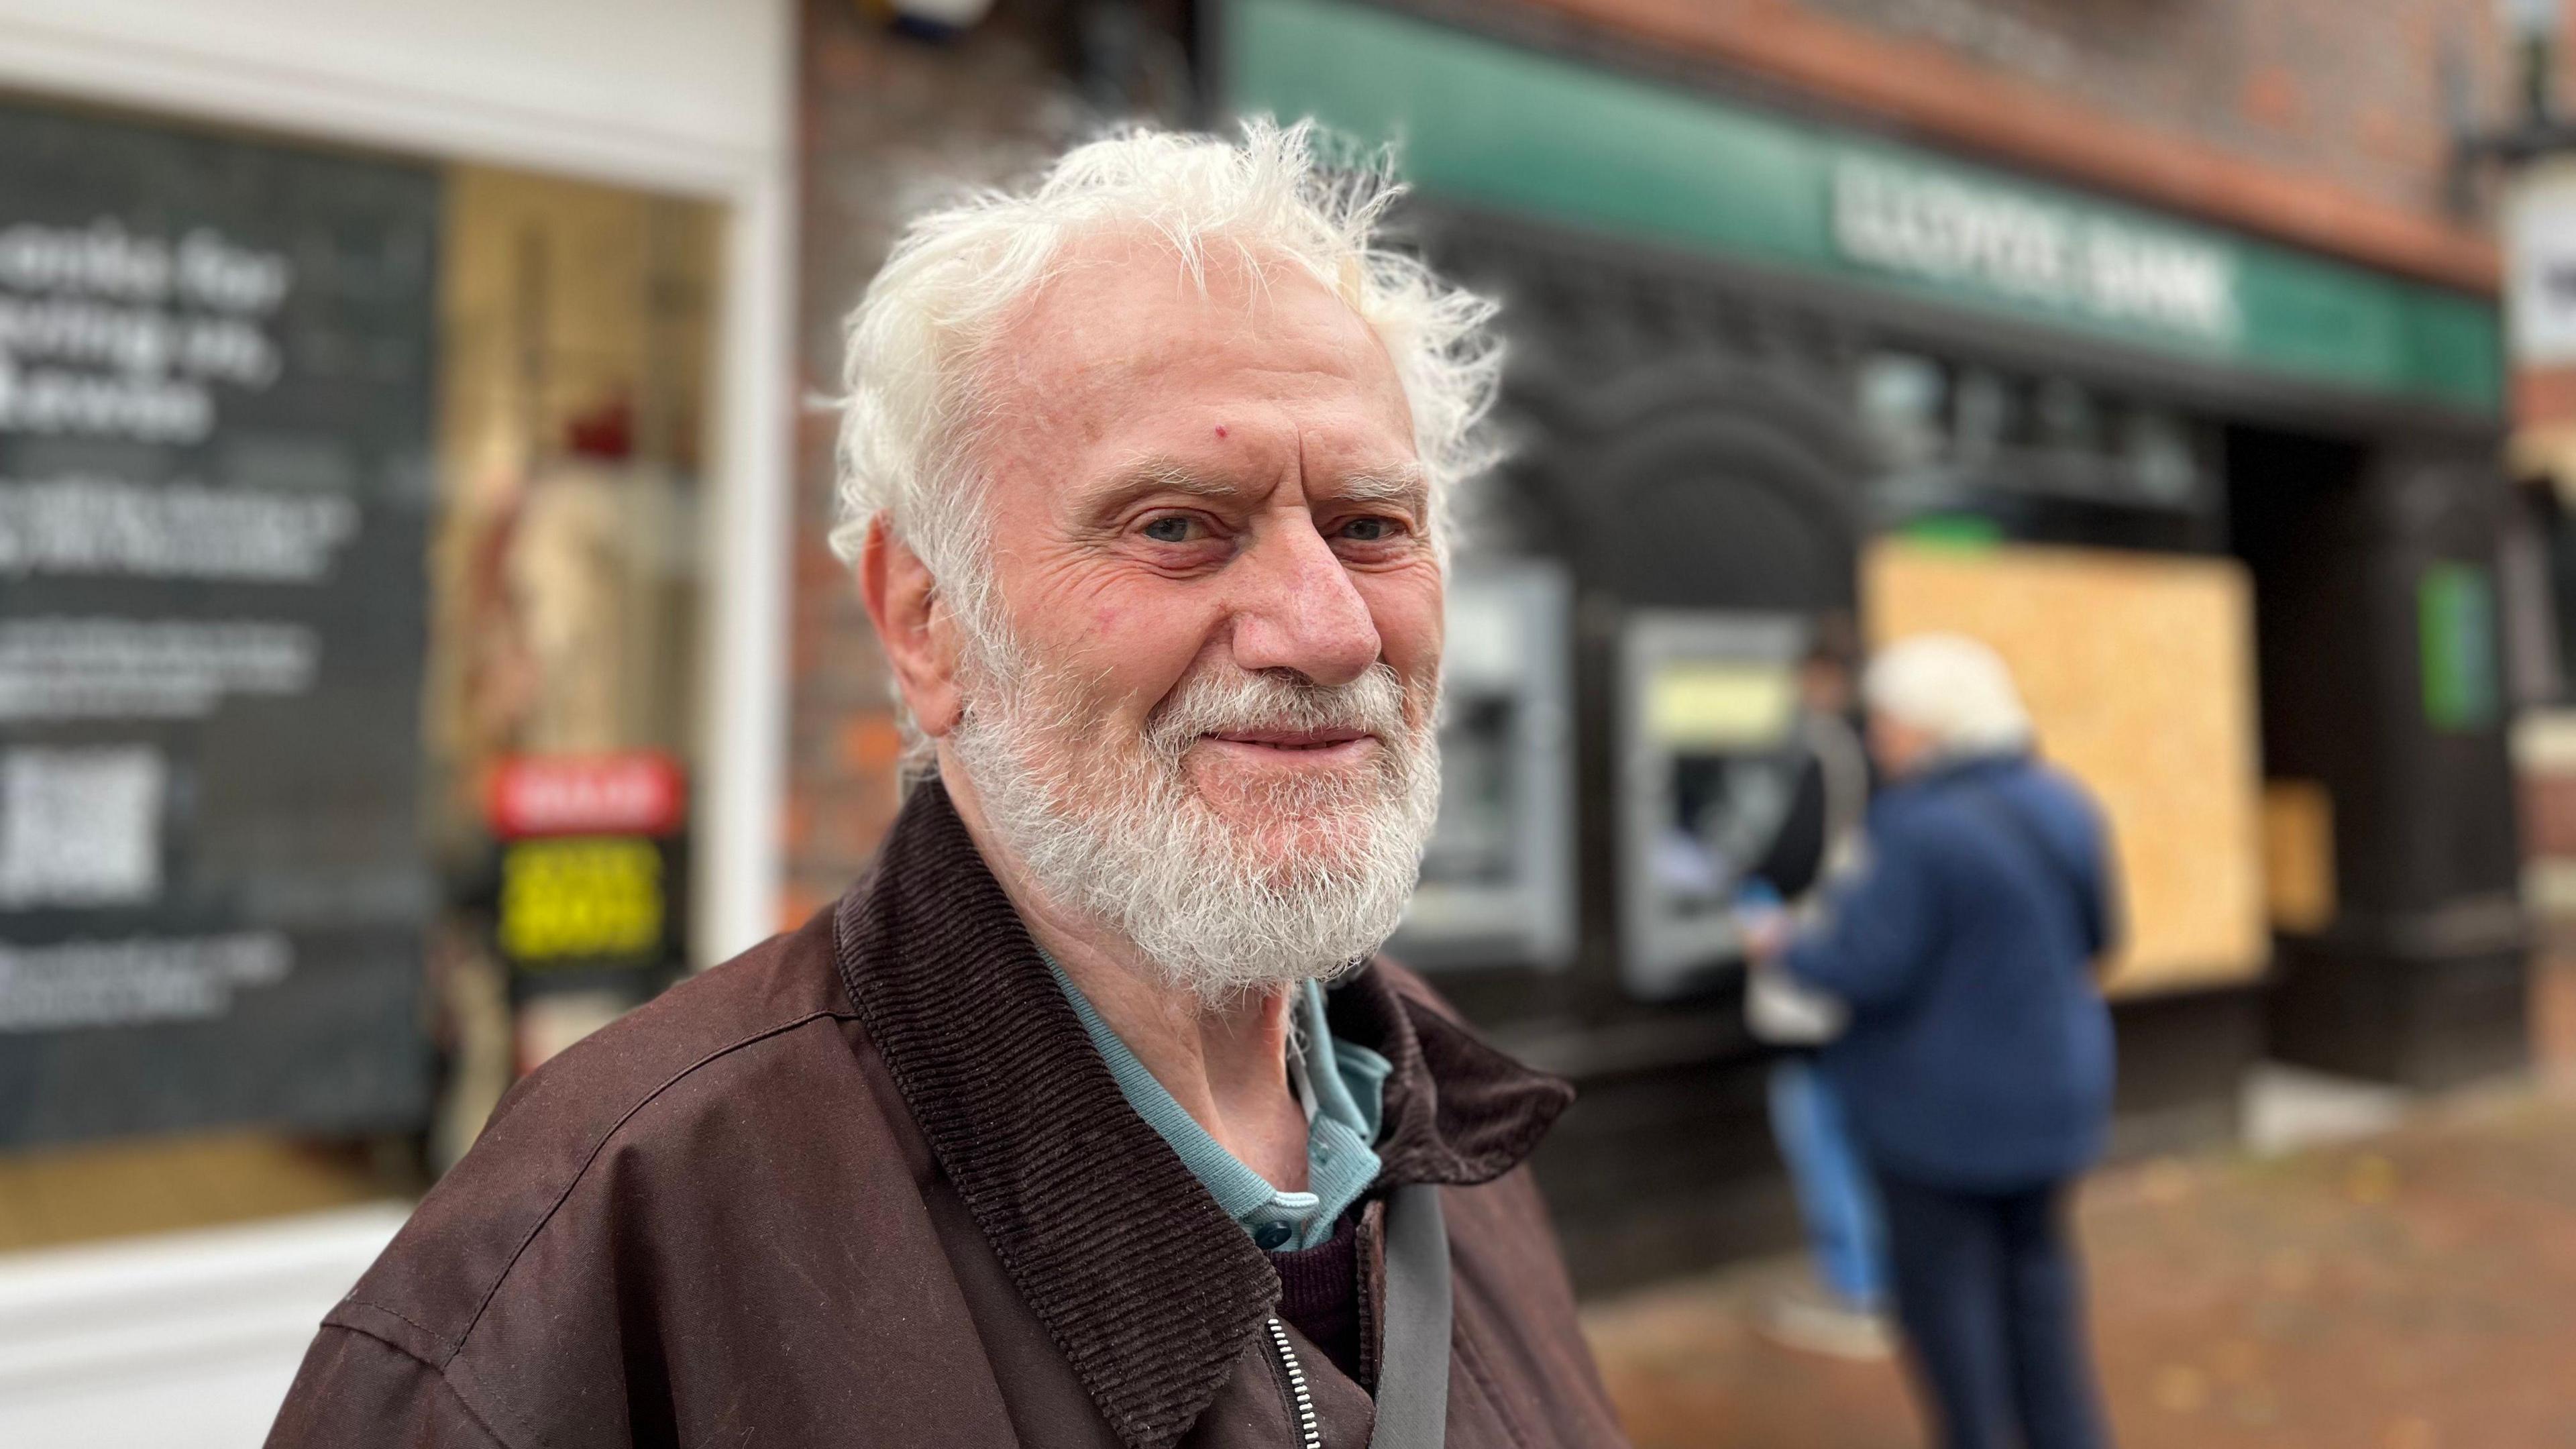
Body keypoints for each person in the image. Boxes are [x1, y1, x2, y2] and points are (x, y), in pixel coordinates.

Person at [265, 121, 1627, 1449]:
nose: (1328, 628)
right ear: (926, 621)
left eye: (1371, 527)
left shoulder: (1439, 1114)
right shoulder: (595, 1250)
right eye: (1176, 527)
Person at [1746, 634, 2116, 1449]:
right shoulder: (2064, 800)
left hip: (1938, 1120)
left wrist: (1784, 945)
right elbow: (2101, 938)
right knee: (2041, 1293)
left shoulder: (1917, 825)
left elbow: (1866, 967)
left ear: (1930, 728)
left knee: (1950, 1317)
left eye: (1886, 722)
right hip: (2057, 1099)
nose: (1877, 739)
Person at [1739, 625, 1892, 1360]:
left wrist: (1744, 886)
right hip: (1864, 972)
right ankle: (1878, 1282)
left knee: (1817, 1131)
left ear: (1827, 678)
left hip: (1812, 975)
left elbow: (1788, 863)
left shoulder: (1827, 750)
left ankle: (1857, 1290)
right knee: (1852, 1129)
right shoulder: (1882, 756)